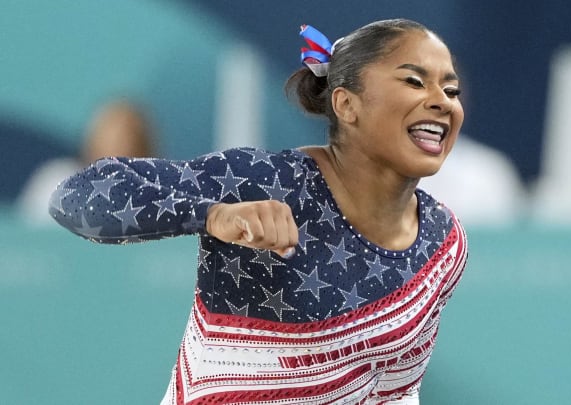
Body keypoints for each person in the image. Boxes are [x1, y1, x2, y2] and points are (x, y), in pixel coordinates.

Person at [49, 19, 467, 404]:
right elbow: (77, 193)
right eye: (415, 81)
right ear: (346, 104)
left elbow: (396, 391)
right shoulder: (262, 181)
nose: (442, 102)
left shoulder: (442, 241)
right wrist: (213, 214)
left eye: (451, 91)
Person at [18, 98, 155, 226]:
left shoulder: (156, 198)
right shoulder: (58, 183)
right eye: (111, 138)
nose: (121, 146)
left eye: (130, 139)